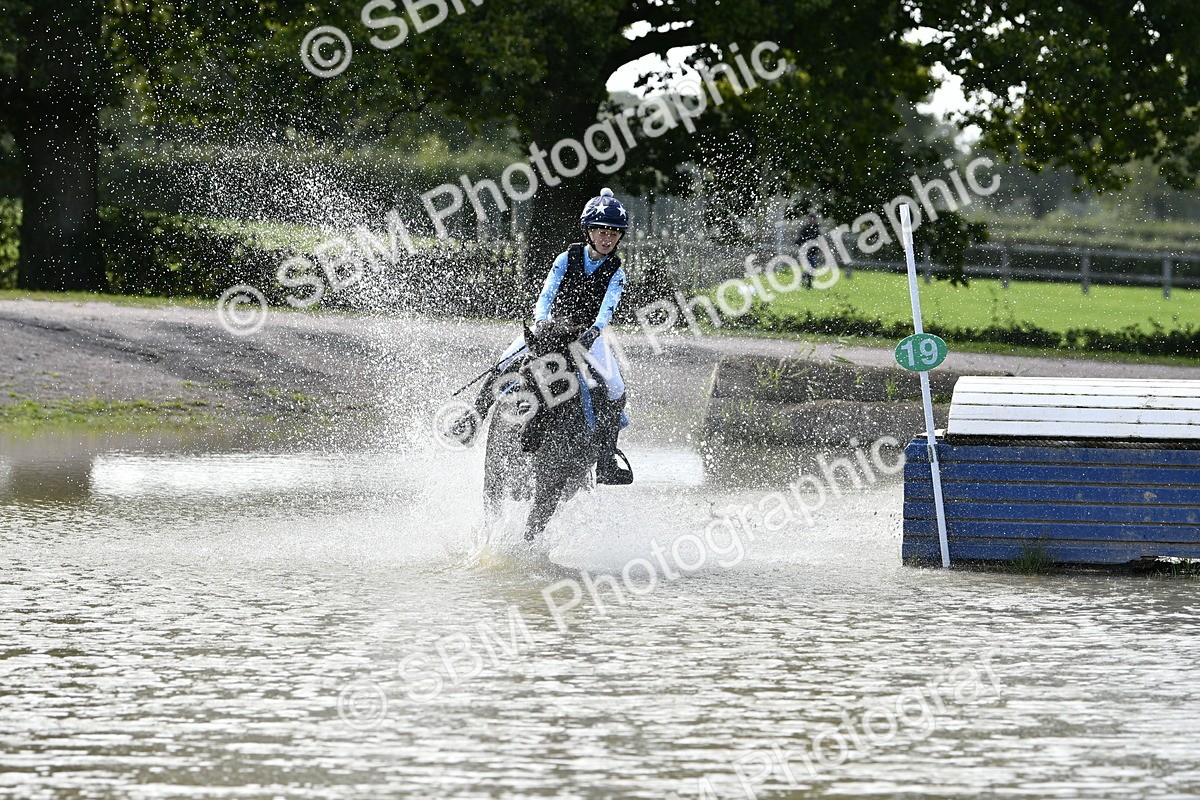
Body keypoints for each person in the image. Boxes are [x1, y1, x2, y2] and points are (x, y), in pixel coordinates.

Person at [453, 188, 633, 485]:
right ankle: (474, 418)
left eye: (613, 233)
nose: (607, 238)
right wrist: (541, 322)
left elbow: (607, 309)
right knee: (504, 361)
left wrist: (595, 331)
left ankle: (606, 459)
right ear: (588, 231)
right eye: (601, 231)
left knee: (615, 387)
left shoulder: (617, 272)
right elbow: (547, 293)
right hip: (550, 328)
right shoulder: (567, 258)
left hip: (589, 334)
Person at [795, 210, 821, 289]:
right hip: (806, 252)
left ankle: (806, 280)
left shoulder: (817, 229)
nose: (812, 221)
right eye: (811, 219)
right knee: (811, 267)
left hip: (813, 252)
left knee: (812, 267)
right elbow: (800, 240)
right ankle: (808, 282)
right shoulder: (805, 229)